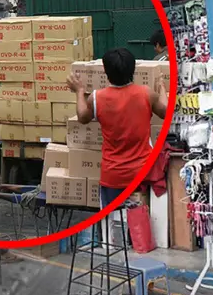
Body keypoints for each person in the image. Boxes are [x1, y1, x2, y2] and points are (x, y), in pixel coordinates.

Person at [67, 48, 167, 244]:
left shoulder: (97, 98)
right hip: (142, 172)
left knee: (112, 225)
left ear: (106, 72)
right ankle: (140, 245)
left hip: (113, 173)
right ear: (133, 71)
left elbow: (82, 117)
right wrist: (162, 87)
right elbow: (164, 111)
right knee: (140, 220)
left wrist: (79, 91)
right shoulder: (146, 94)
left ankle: (112, 248)